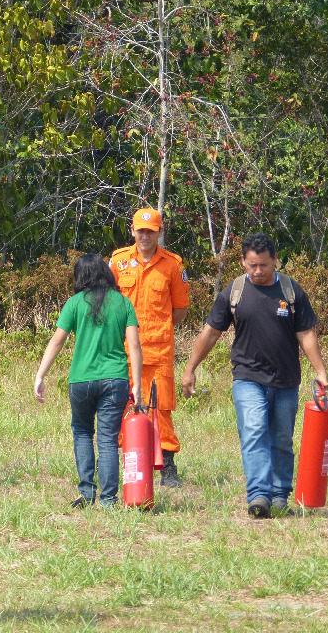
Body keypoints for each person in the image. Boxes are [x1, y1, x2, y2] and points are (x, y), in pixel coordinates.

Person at [180, 232, 328, 518]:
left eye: (263, 265)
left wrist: (320, 371)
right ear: (242, 262)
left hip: (286, 380)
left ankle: (279, 494)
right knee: (253, 431)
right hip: (247, 378)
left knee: (282, 438)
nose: (257, 271)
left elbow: (306, 333)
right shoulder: (233, 292)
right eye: (251, 265)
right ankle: (259, 494)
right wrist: (190, 369)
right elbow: (211, 333)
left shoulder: (291, 291)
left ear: (275, 260)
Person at [34, 254, 143, 508]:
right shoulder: (124, 303)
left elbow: (57, 341)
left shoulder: (74, 304)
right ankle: (108, 499)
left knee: (82, 432)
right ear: (106, 273)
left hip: (81, 380)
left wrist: (40, 375)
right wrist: (136, 383)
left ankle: (86, 493)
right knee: (107, 439)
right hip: (115, 379)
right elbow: (135, 346)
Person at [110, 208, 189, 487]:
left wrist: (160, 327)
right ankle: (124, 460)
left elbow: (179, 310)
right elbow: (108, 301)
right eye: (140, 230)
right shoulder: (118, 262)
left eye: (151, 231)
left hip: (158, 350)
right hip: (121, 350)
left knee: (161, 407)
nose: (145, 236)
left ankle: (167, 466)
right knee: (120, 405)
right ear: (132, 230)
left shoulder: (173, 265)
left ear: (160, 232)